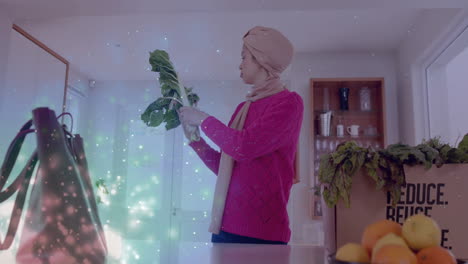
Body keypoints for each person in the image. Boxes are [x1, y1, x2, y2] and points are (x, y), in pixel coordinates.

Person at [178, 26, 303, 245]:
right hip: (224, 230)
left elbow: (244, 147)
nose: (240, 64)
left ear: (261, 59)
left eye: (244, 57)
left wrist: (202, 119)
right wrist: (196, 140)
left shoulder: (288, 103)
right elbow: (227, 165)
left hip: (262, 236)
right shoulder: (242, 109)